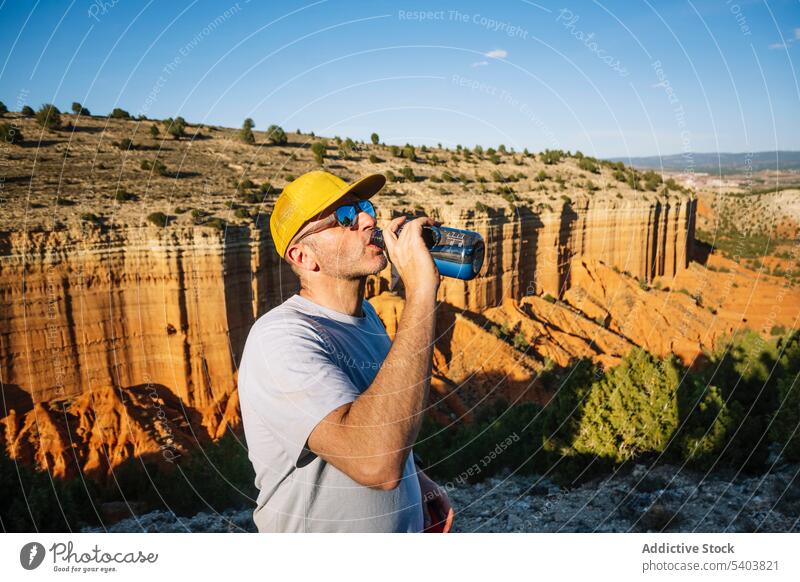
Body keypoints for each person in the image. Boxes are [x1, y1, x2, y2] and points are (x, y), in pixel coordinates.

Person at [238, 169, 452, 532]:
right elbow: (375, 463)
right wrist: (419, 293)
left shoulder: (367, 317)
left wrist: (419, 485)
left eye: (364, 207)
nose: (369, 220)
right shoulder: (280, 339)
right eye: (345, 218)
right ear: (304, 256)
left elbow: (381, 415)